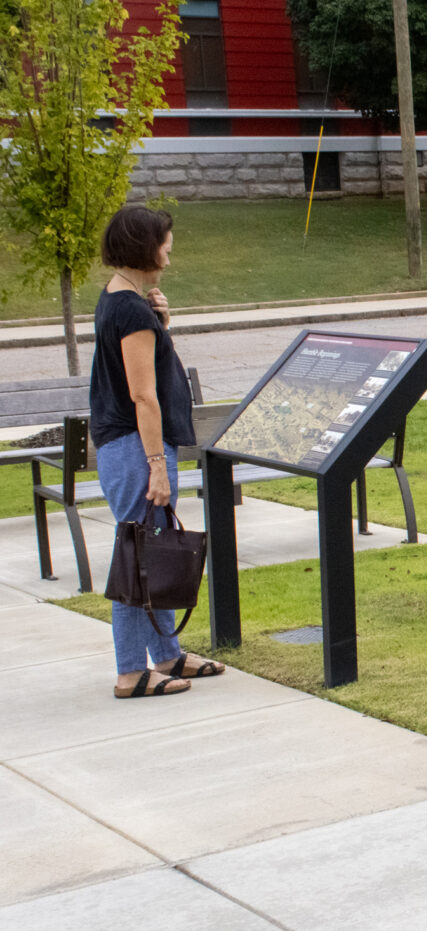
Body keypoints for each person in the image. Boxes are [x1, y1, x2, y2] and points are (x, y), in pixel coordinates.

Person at [92, 206, 225, 698]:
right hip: (135, 449)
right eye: (166, 242)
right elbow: (143, 395)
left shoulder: (123, 301)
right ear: (147, 246)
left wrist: (160, 323)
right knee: (136, 556)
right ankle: (131, 671)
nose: (171, 252)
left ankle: (166, 655)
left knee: (154, 550)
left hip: (127, 447)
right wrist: (156, 466)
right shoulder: (129, 310)